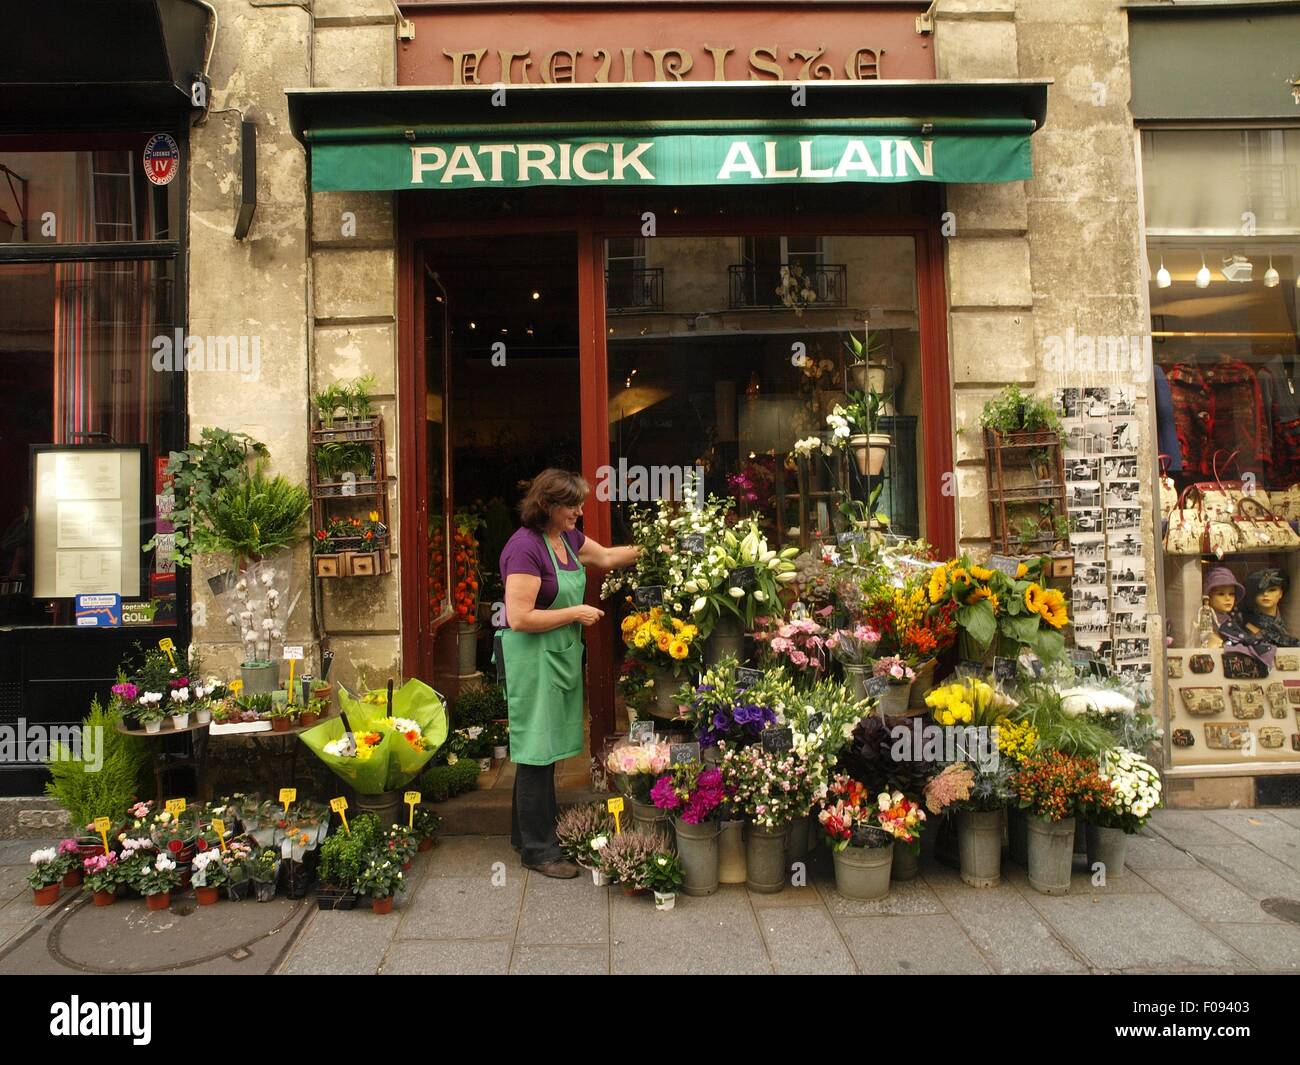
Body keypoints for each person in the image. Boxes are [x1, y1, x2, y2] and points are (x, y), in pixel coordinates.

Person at [497, 469, 640, 878]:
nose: (580, 511)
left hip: (556, 654)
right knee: (535, 751)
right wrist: (575, 612)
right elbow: (520, 617)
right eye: (572, 505)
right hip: (531, 658)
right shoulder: (525, 548)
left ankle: (524, 836)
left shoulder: (569, 540)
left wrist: (658, 545)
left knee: (539, 750)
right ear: (549, 506)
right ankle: (539, 851)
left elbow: (610, 557)